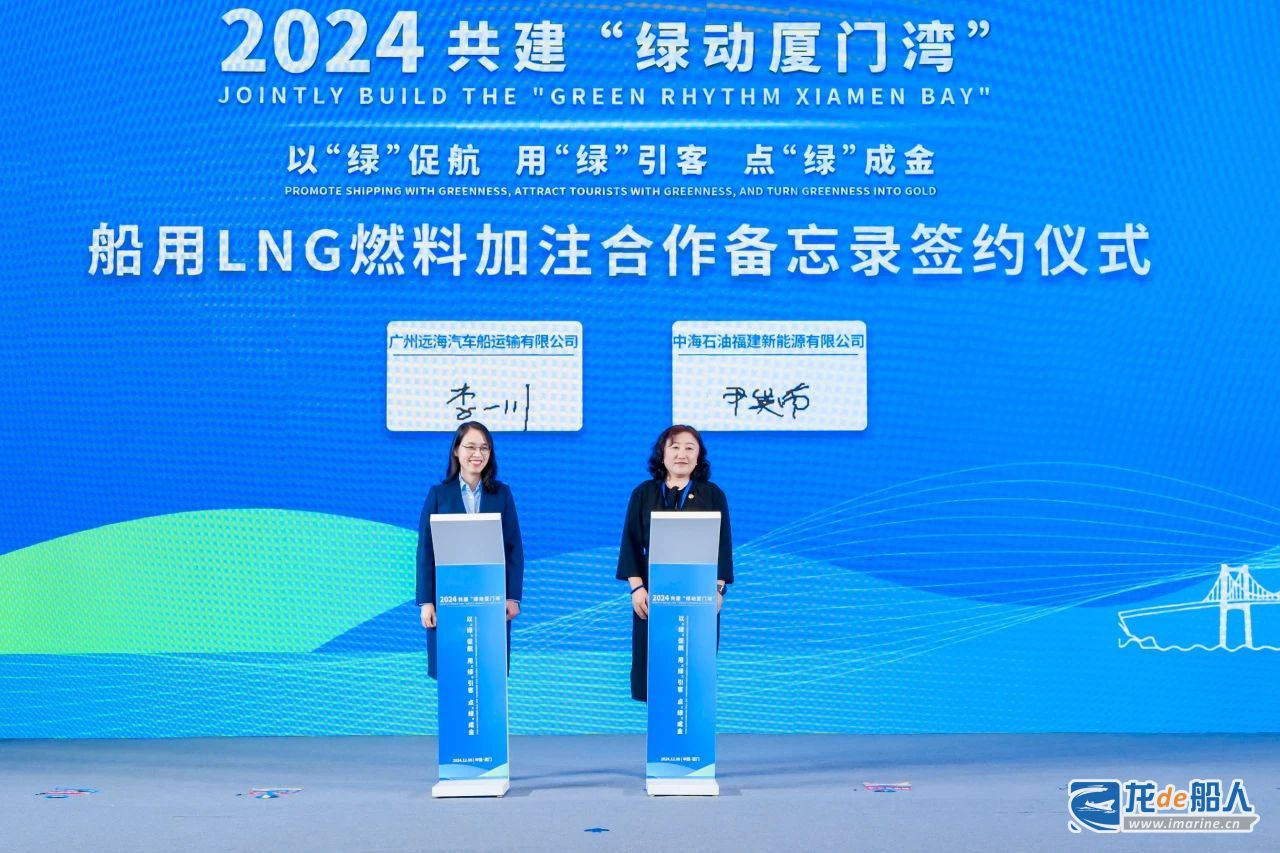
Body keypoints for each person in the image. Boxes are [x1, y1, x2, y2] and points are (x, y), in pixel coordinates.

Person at [616, 424, 733, 701]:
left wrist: (718, 589)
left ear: (699, 456)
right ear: (662, 453)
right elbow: (631, 542)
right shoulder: (643, 493)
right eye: (675, 447)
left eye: (689, 448)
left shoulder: (713, 494)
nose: (682, 454)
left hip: (699, 593)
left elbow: (722, 544)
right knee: (653, 673)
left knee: (693, 672)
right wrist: (637, 589)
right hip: (653, 595)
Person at [416, 421, 524, 679]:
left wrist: (512, 597)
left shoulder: (502, 494)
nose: (478, 454)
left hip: (491, 596)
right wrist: (427, 602)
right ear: (456, 450)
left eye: (484, 448)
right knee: (452, 671)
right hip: (449, 597)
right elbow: (426, 552)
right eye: (471, 447)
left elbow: (513, 547)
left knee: (488, 670)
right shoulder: (439, 495)